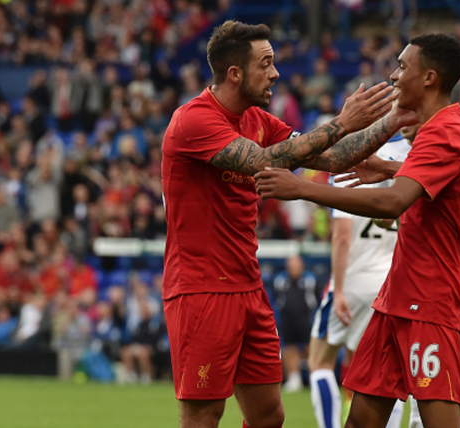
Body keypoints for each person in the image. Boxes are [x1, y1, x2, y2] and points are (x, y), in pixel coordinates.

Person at [161, 20, 415, 428]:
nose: (276, 73)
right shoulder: (193, 121)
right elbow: (268, 161)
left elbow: (331, 157)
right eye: (266, 63)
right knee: (204, 415)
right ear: (235, 73)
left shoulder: (257, 120)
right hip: (201, 290)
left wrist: (393, 120)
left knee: (268, 417)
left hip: (248, 287)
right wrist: (341, 123)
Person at [256, 34, 460, 428]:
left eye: (402, 67)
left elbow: (393, 203)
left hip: (430, 302)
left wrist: (303, 189)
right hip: (395, 298)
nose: (394, 76)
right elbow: (429, 184)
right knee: (361, 420)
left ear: (429, 78)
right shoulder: (437, 130)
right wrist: (390, 168)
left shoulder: (446, 131)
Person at [336, 128, 460, 427]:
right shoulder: (390, 152)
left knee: (427, 389)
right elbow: (386, 219)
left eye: (404, 96)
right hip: (407, 280)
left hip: (457, 279)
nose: (401, 110)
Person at [308, 129, 413, 428]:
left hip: (353, 279)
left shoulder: (342, 171)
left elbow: (341, 238)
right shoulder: (399, 166)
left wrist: (338, 290)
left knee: (320, 361)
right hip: (388, 283)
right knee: (378, 373)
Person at [273, 254, 317, 393]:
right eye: (291, 265)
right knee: (288, 348)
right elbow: (278, 300)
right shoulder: (280, 280)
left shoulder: (310, 280)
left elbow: (315, 299)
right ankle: (294, 378)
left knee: (311, 349)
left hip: (306, 320)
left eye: (296, 264)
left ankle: (314, 378)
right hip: (287, 321)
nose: (294, 268)